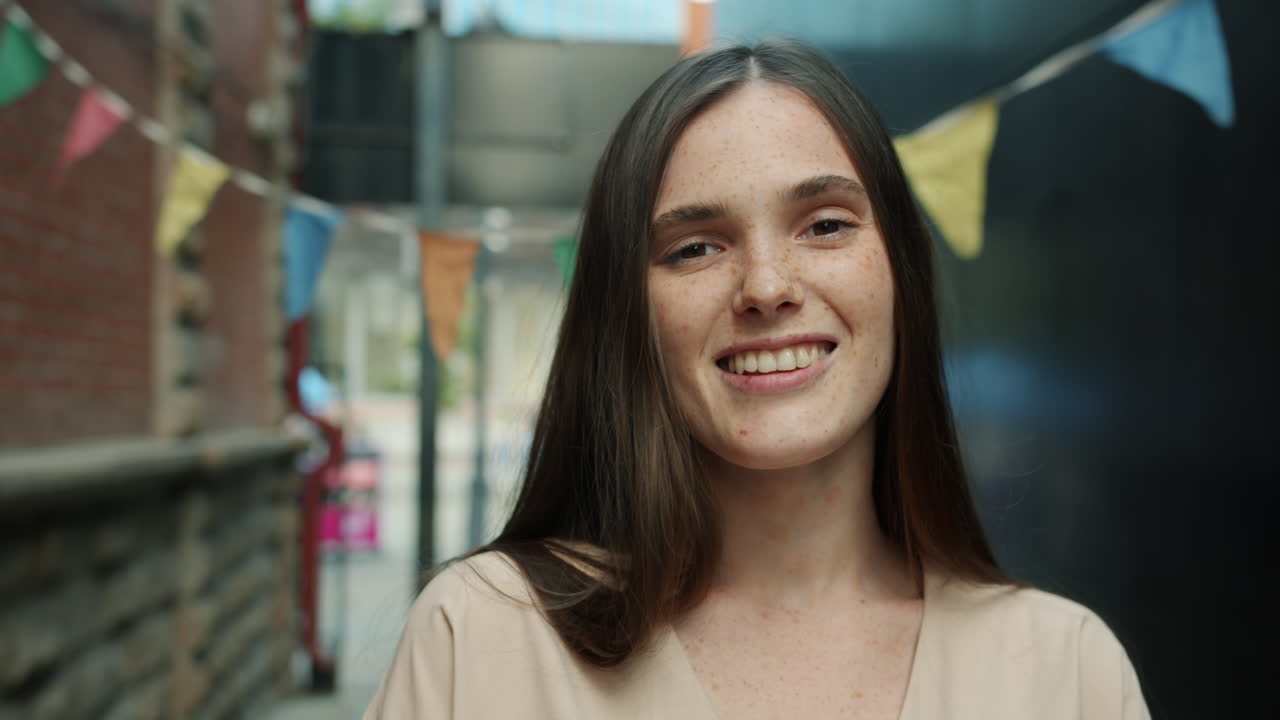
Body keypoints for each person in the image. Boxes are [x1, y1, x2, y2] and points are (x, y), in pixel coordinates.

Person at [364, 40, 1149, 719]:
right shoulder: (480, 640)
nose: (766, 286)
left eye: (827, 225)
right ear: (625, 316)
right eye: (695, 248)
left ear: (900, 273)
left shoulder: (1068, 672)